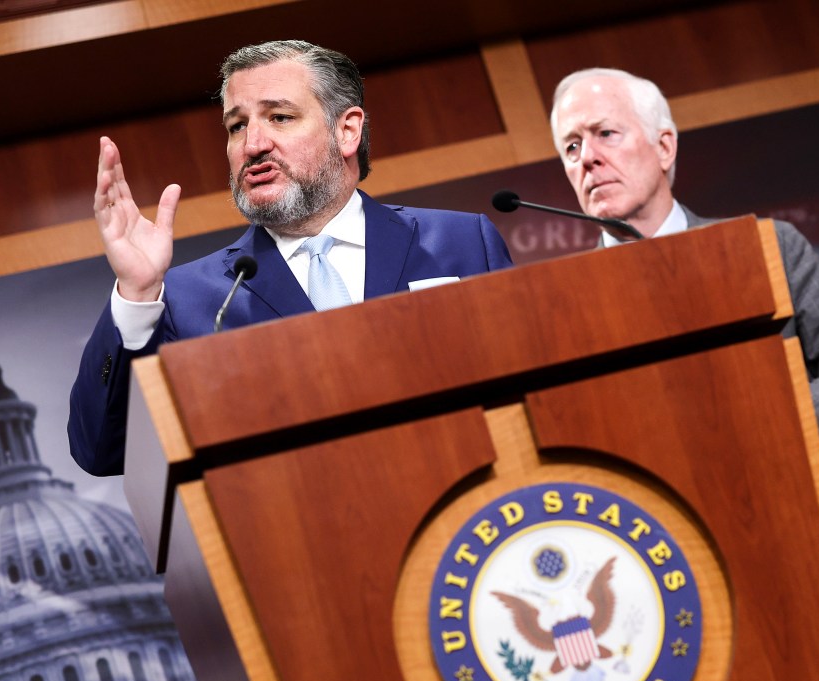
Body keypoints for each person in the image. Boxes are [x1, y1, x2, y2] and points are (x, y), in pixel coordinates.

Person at [550, 66, 819, 681]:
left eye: (605, 133)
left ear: (664, 145)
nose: (587, 158)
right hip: (682, 591)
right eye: (571, 146)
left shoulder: (767, 247)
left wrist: (762, 430)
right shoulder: (563, 305)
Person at [68, 40, 513, 477]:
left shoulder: (461, 242)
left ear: (347, 130)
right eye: (237, 126)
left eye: (279, 117)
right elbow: (101, 451)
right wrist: (137, 295)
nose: (253, 144)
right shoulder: (190, 301)